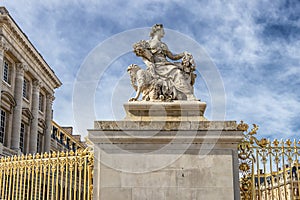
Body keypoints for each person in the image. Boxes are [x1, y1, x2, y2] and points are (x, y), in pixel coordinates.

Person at [132, 24, 198, 101]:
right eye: (162, 30)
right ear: (157, 31)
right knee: (177, 72)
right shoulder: (147, 43)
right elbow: (144, 56)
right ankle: (189, 95)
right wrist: (149, 64)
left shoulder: (163, 45)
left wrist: (183, 54)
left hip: (166, 65)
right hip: (157, 66)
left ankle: (188, 94)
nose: (164, 32)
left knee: (179, 71)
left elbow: (173, 57)